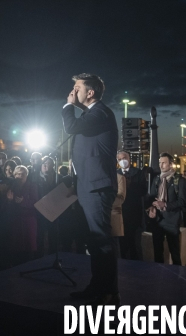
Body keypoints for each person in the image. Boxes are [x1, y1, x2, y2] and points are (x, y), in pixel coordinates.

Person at [62, 73, 119, 306]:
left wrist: (68, 105)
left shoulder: (100, 113)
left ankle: (109, 292)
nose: (74, 92)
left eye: (77, 88)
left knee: (101, 241)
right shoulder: (92, 115)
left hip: (97, 187)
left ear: (91, 92)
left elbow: (71, 127)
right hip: (88, 185)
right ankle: (97, 287)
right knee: (94, 242)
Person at [145, 153, 186, 266]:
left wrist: (165, 205)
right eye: (160, 163)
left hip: (172, 220)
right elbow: (152, 197)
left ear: (171, 164)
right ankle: (158, 275)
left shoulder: (179, 180)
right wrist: (152, 207)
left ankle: (177, 276)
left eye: (164, 162)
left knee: (174, 252)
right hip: (158, 220)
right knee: (158, 251)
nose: (161, 165)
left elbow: (182, 201)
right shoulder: (157, 179)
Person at [6, 165, 39, 265]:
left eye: (22, 174)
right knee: (16, 245)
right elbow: (6, 205)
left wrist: (23, 201)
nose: (20, 176)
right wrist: (9, 201)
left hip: (29, 219)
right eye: (18, 174)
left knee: (29, 244)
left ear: (26, 175)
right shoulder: (11, 186)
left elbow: (35, 202)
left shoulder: (32, 186)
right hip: (15, 219)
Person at [117, 150, 145, 260]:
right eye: (119, 159)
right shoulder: (116, 173)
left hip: (135, 214)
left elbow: (143, 191)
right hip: (120, 214)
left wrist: (130, 185)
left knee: (135, 244)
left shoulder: (138, 173)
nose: (122, 161)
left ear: (129, 159)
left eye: (124, 158)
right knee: (122, 245)